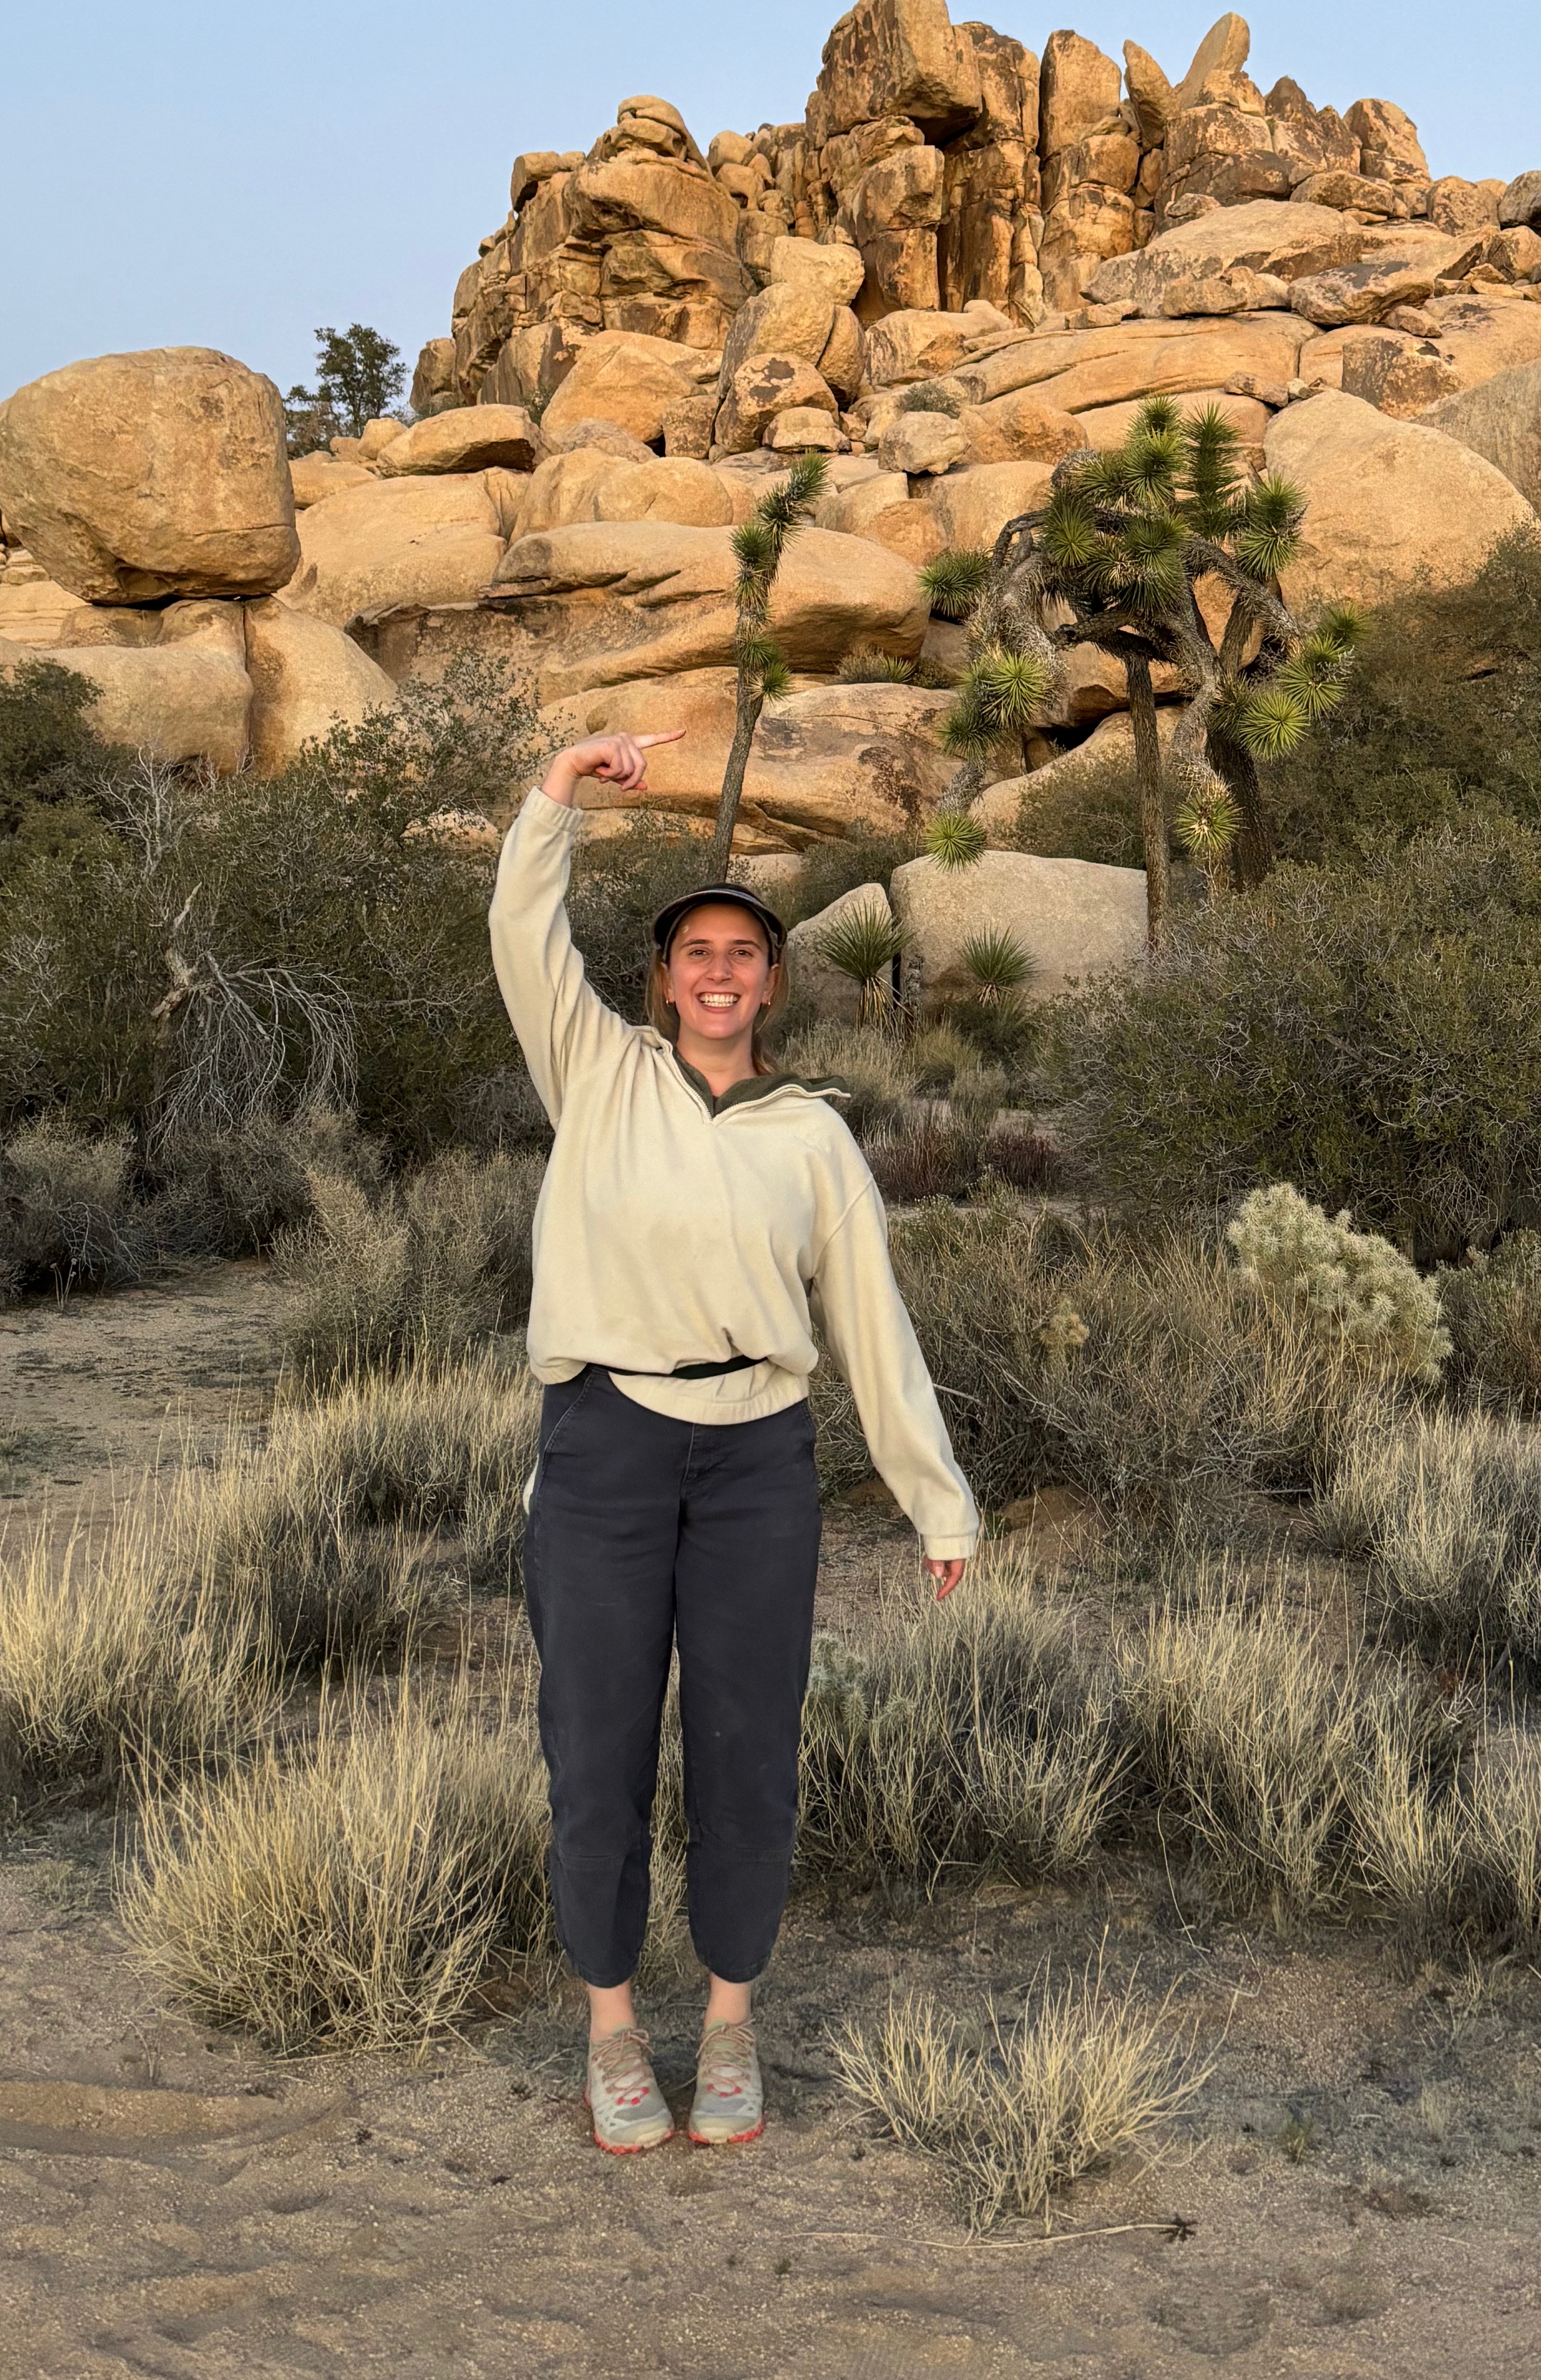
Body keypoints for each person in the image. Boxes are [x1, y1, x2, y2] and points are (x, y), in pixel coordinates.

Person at [490, 726, 978, 2157]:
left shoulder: (812, 1136)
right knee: (597, 1744)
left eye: (742, 956)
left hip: (759, 1454)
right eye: (693, 954)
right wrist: (557, 796)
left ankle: (727, 2022)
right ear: (664, 980)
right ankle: (610, 2031)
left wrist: (934, 1504)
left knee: (750, 1746)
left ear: (771, 981)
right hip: (606, 1444)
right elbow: (525, 935)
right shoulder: (597, 1073)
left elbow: (875, 1326)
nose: (717, 974)